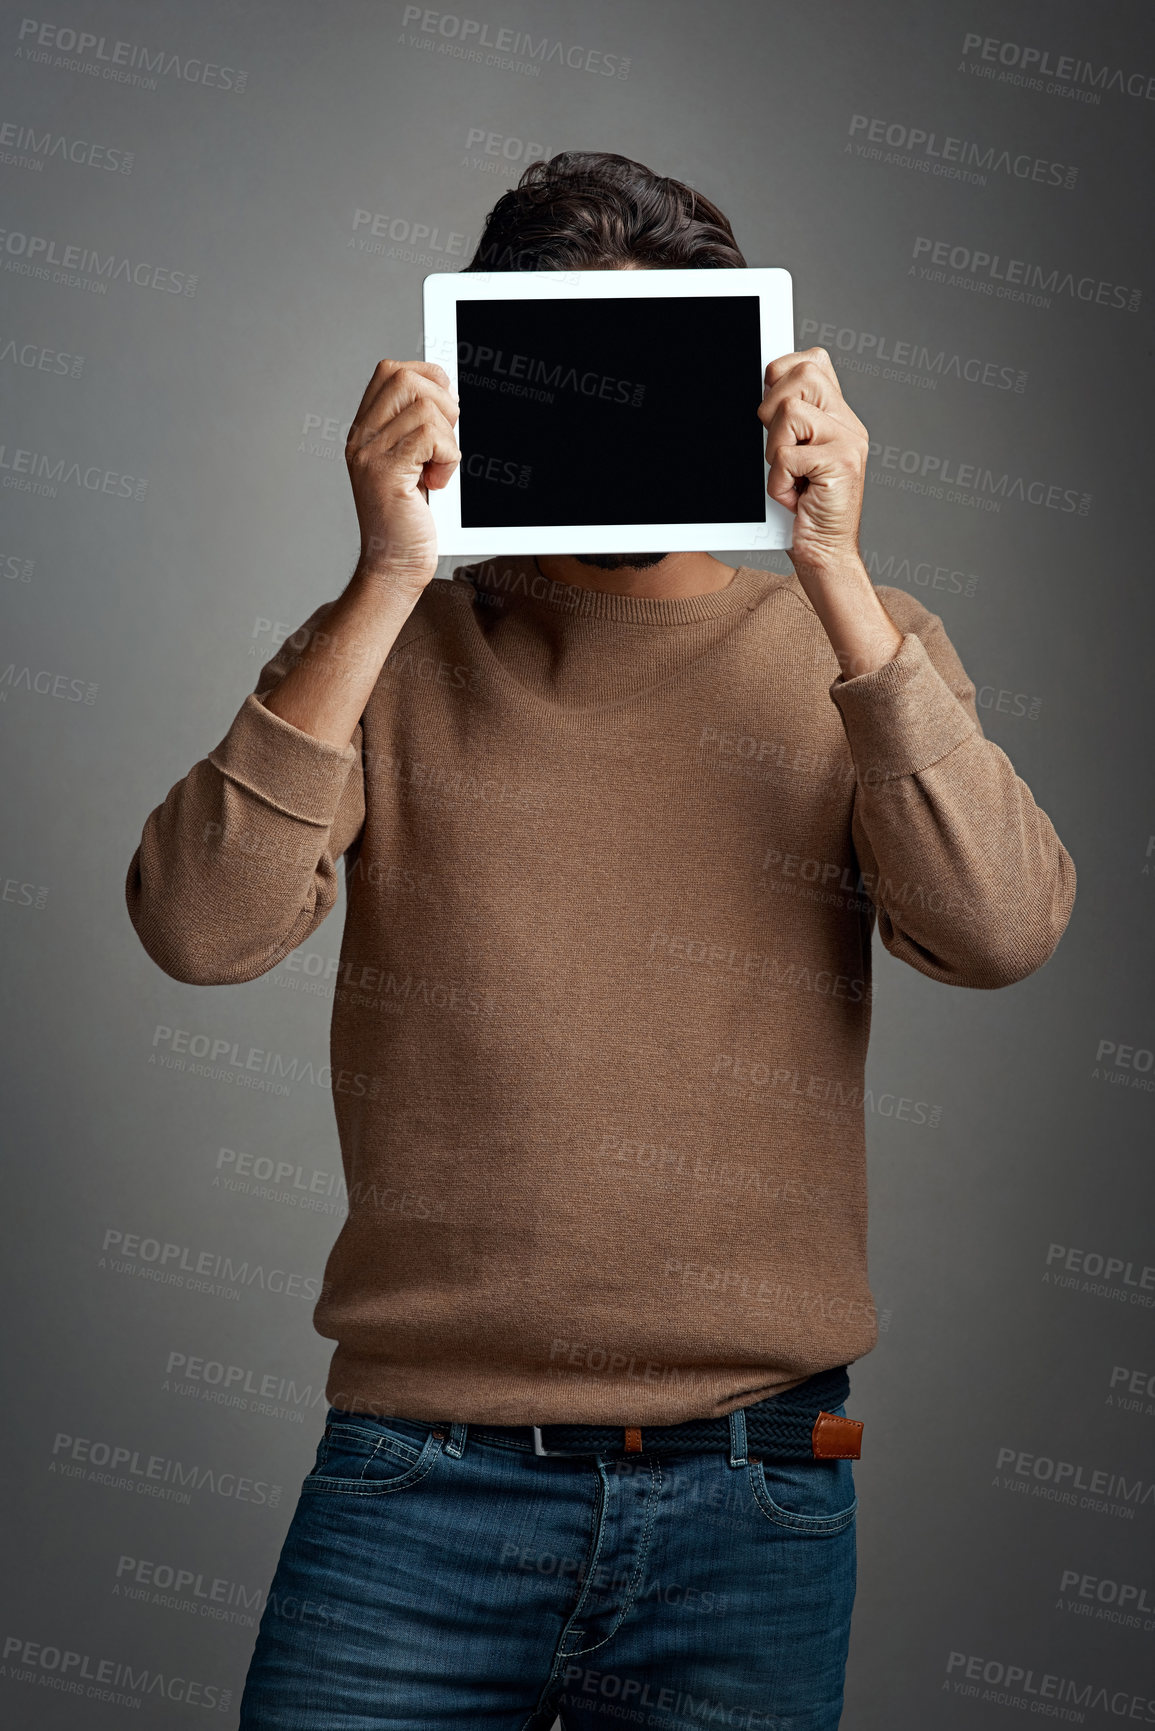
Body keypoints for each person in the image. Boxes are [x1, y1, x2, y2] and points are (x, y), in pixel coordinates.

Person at [125, 152, 1075, 1730]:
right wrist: (384, 577)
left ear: (745, 391)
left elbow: (1001, 930)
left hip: (752, 1492)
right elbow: (196, 929)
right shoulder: (391, 652)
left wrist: (836, 573)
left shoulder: (860, 652)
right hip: (418, 1479)